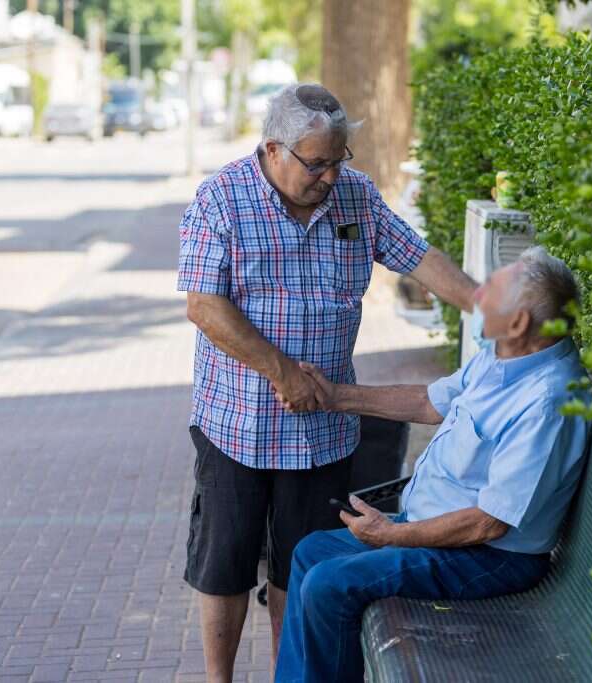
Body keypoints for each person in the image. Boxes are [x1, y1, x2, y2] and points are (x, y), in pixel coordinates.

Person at [176, 83, 476, 682]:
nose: (331, 177)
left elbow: (418, 257)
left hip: (323, 432)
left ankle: (290, 673)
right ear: (273, 151)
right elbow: (205, 306)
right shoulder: (220, 202)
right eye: (318, 163)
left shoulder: (357, 200)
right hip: (237, 424)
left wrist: (488, 303)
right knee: (225, 564)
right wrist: (282, 370)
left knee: (301, 566)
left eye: (340, 161)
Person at [274, 246, 590, 683]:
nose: (477, 299)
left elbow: (489, 524)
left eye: (490, 292)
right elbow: (429, 401)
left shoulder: (547, 401)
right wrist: (335, 397)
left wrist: (393, 535)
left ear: (517, 323)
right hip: (437, 528)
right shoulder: (504, 359)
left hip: (487, 556)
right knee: (312, 553)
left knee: (330, 586)